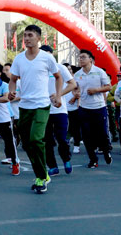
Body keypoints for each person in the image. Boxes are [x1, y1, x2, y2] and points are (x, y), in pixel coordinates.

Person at [9, 25, 63, 194]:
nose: (26, 38)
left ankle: (41, 177)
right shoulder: (19, 59)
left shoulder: (46, 58)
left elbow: (58, 77)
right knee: (26, 144)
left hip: (41, 105)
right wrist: (11, 91)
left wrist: (58, 96)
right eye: (24, 35)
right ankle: (43, 173)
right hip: (24, 106)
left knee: (36, 139)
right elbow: (12, 79)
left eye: (30, 35)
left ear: (39, 38)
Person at [73, 49, 113, 168]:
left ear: (90, 59)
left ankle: (106, 152)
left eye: (83, 57)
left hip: (98, 107)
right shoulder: (77, 74)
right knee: (86, 135)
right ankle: (93, 159)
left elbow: (108, 87)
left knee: (102, 133)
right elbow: (75, 88)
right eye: (79, 57)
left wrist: (96, 90)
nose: (81, 59)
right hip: (84, 107)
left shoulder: (99, 72)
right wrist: (76, 93)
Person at [41, 45, 76, 177]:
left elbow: (73, 84)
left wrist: (58, 94)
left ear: (52, 54)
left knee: (61, 138)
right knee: (47, 140)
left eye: (46, 54)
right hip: (44, 110)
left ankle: (66, 159)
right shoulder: (39, 70)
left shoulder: (60, 68)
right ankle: (53, 166)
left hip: (60, 110)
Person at [107, 71, 121, 154]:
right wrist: (117, 99)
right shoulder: (115, 86)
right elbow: (109, 97)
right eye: (118, 76)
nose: (119, 78)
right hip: (119, 108)